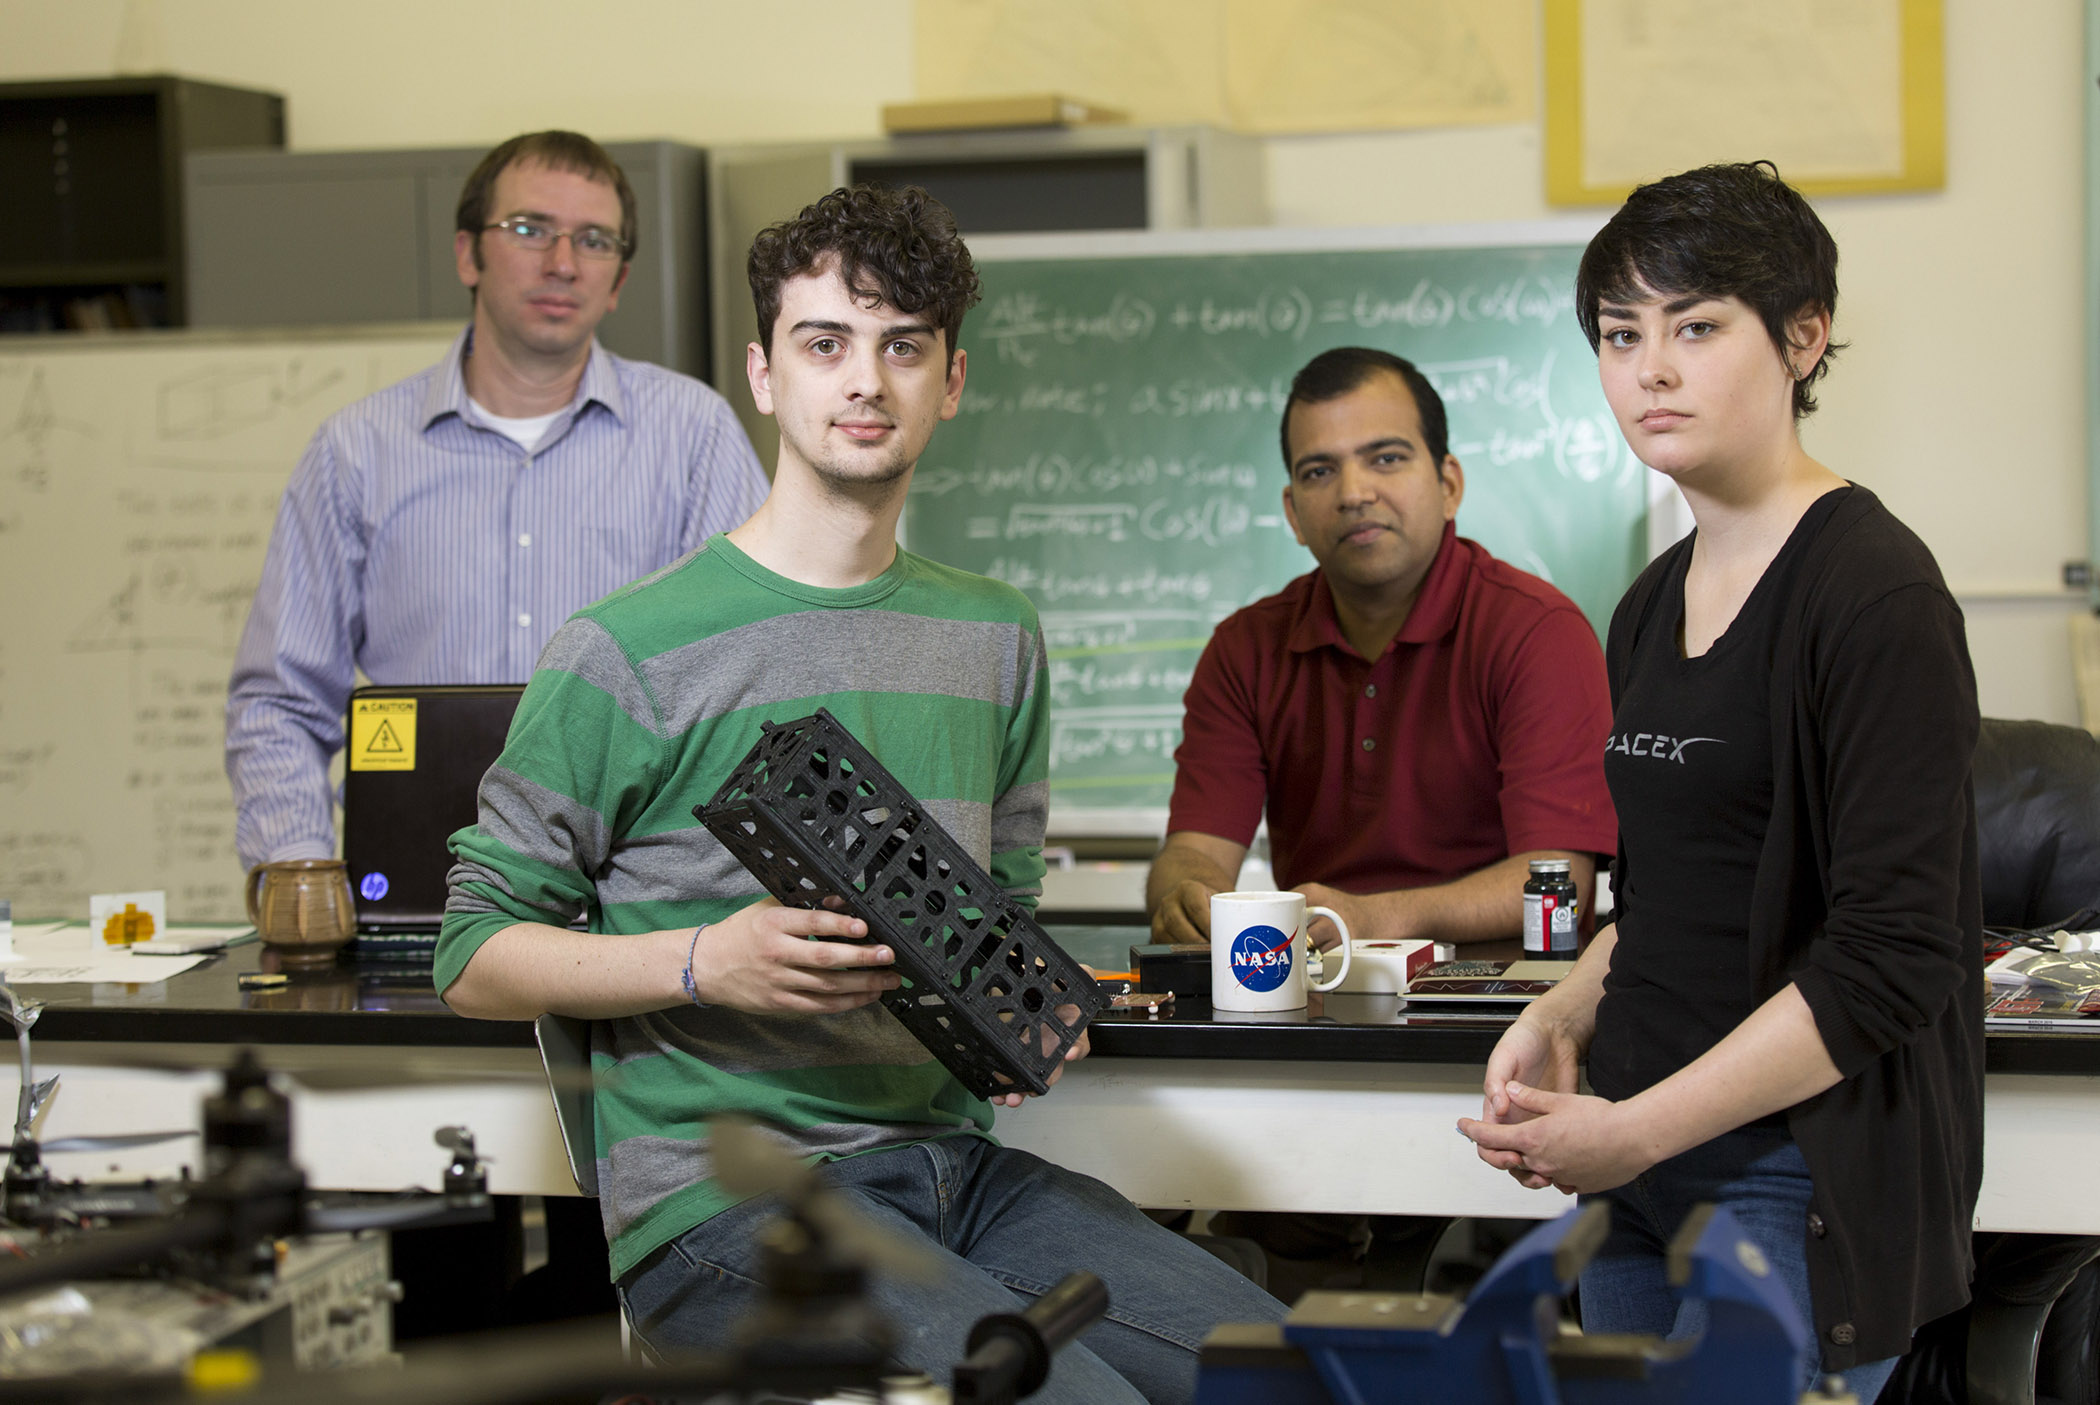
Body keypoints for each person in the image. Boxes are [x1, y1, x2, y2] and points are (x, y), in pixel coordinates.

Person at [436, 183, 1285, 1403]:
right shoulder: (626, 646)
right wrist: (702, 962)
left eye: (903, 347)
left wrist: (1022, 1011)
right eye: (824, 343)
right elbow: (472, 952)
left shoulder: (995, 636)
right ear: (764, 374)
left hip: (957, 1171)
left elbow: (995, 910)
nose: (865, 382)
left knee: (1297, 1374)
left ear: (951, 381)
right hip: (730, 1205)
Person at [1458, 162, 1983, 1404]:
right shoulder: (1649, 603)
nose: (1651, 369)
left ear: (1803, 339)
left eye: (1696, 327)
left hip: (1791, 1180)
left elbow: (1891, 958)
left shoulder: (1875, 593)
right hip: (1633, 1163)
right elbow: (1670, 899)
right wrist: (1561, 1015)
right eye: (1620, 335)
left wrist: (1636, 1128)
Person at [225, 129, 768, 875]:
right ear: (466, 254)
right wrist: (295, 866)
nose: (563, 262)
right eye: (530, 229)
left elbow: (756, 681)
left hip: (633, 910)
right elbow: (279, 703)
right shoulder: (356, 451)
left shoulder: (694, 436)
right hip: (414, 886)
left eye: (595, 240)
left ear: (618, 280)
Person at [1147, 345, 1617, 950]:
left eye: (1386, 458)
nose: (1353, 492)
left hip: (1505, 1014)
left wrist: (1377, 919)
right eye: (1319, 471)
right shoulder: (1245, 649)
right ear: (1292, 512)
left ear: (1449, 484)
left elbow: (1558, 882)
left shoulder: (1537, 632)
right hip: (1316, 999)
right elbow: (1191, 852)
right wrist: (1188, 896)